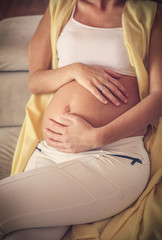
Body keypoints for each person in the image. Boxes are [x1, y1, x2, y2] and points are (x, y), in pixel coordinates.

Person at [0, 0, 161, 239]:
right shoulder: (60, 7)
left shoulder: (149, 13)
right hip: (50, 153)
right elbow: (35, 81)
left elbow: (159, 97)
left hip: (114, 157)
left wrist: (96, 136)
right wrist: (75, 69)